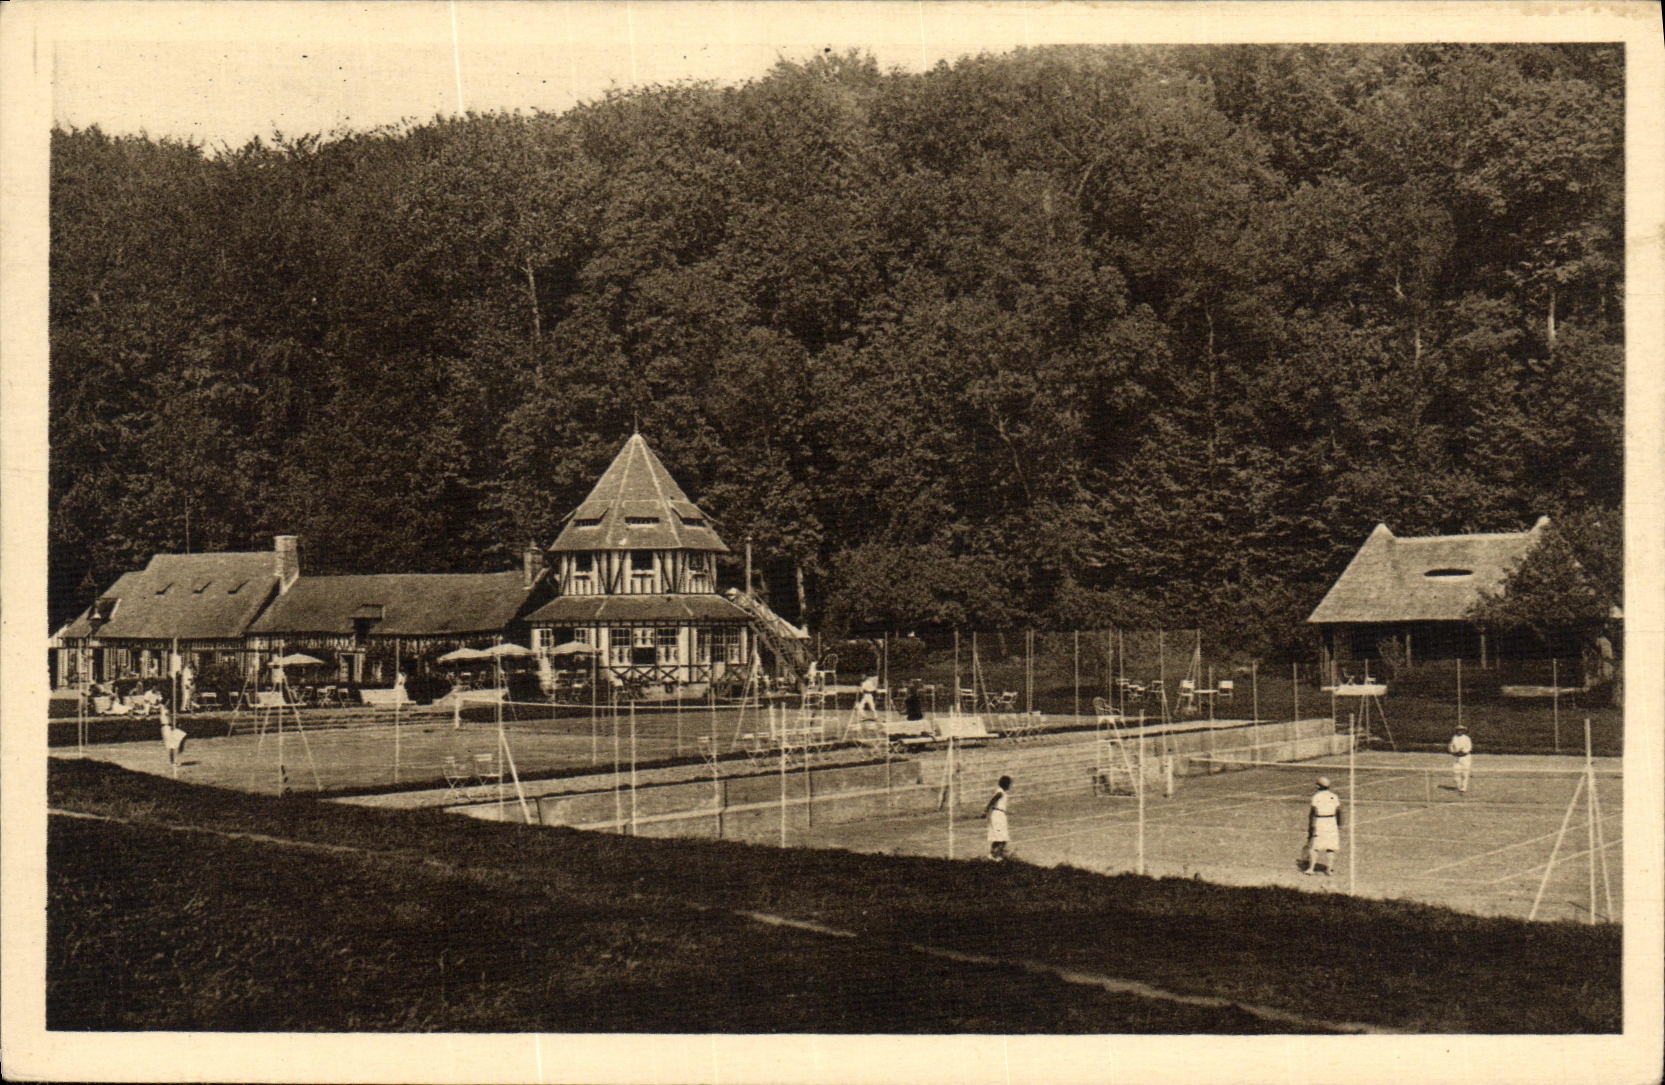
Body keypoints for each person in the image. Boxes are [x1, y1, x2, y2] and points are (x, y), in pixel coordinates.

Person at [1303, 777, 1341, 876]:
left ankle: (1311, 869)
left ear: (1317, 786)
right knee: (1331, 847)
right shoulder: (1334, 796)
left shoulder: (1316, 797)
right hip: (1332, 822)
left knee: (1315, 847)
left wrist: (1311, 827)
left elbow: (1312, 813)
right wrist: (1337, 825)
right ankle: (1329, 869)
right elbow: (1338, 812)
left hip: (1321, 821)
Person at [982, 775, 1013, 861]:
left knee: (1001, 837)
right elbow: (993, 801)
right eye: (1008, 784)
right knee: (1000, 837)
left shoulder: (1002, 792)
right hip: (998, 816)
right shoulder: (1000, 792)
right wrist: (986, 811)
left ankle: (995, 854)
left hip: (1000, 814)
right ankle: (995, 855)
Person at [1448, 723, 1473, 794]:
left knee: (1465, 773)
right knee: (1456, 773)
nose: (1460, 732)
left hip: (1465, 758)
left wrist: (1463, 751)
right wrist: (1454, 752)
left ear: (1464, 731)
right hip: (1457, 758)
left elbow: (1469, 747)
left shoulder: (1467, 738)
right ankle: (1459, 786)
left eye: (1461, 730)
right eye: (1458, 730)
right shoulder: (1454, 738)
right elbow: (1450, 747)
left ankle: (1463, 788)